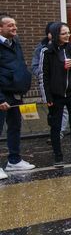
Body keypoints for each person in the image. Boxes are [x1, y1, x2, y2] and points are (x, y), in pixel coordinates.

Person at [42, 22, 71, 167]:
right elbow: (45, 76)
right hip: (56, 95)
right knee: (55, 126)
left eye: (68, 32)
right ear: (56, 35)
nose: (67, 35)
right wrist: (48, 97)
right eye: (63, 33)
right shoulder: (48, 52)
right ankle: (58, 156)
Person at [0, 14, 35, 178]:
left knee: (14, 127)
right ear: (0, 28)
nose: (14, 28)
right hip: (2, 95)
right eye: (10, 25)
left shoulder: (15, 42)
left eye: (15, 24)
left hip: (15, 93)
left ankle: (14, 161)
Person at [32, 23, 69, 141]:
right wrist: (44, 73)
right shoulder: (42, 48)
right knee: (53, 110)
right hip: (50, 85)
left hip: (63, 85)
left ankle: (60, 132)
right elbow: (35, 66)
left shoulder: (68, 47)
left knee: (64, 109)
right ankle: (56, 129)